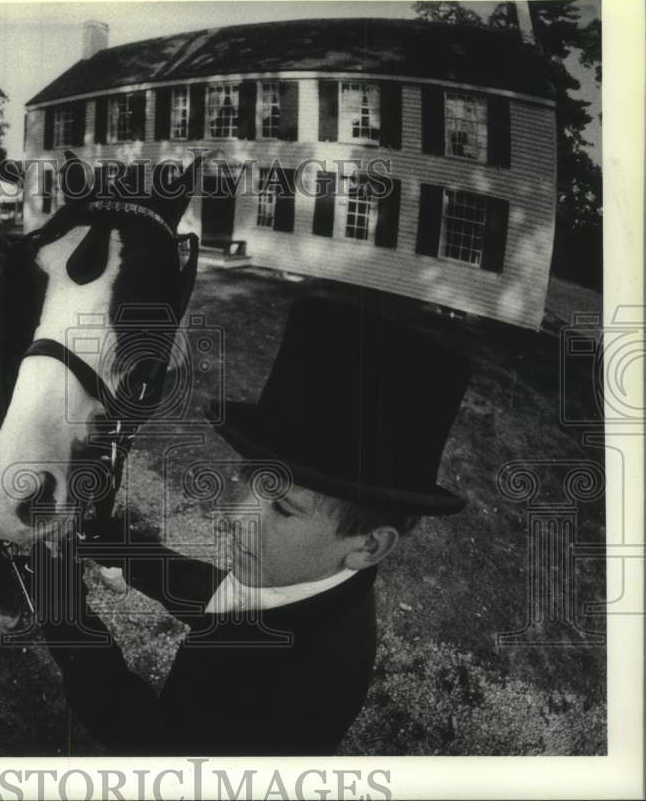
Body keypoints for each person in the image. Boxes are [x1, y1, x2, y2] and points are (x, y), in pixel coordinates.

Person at [39, 296, 472, 755]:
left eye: (283, 508)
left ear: (368, 545)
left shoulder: (275, 681)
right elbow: (226, 598)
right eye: (251, 482)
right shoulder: (317, 581)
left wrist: (66, 619)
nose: (234, 515)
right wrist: (119, 547)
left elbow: (148, 741)